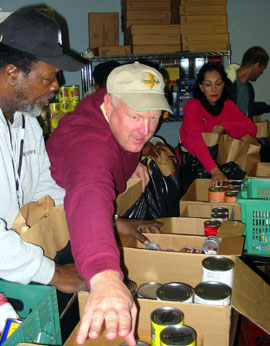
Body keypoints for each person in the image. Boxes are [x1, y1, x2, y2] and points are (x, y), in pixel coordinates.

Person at [46, 61, 172, 345]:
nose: (146, 129)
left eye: (155, 117)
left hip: (79, 221)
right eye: (137, 117)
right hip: (53, 240)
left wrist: (131, 160)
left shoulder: (111, 104)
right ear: (108, 104)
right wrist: (104, 277)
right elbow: (89, 192)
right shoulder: (90, 144)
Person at [0, 8, 88, 293]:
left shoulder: (27, 121)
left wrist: (94, 220)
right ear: (13, 73)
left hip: (14, 260)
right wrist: (54, 274)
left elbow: (44, 187)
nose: (56, 87)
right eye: (48, 78)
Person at [178, 62, 257, 187]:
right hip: (194, 168)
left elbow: (252, 129)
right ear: (201, 87)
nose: (214, 90)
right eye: (208, 85)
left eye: (218, 84)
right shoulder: (193, 106)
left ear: (224, 84)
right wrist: (214, 170)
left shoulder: (228, 106)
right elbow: (195, 139)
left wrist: (227, 126)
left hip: (220, 166)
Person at [225, 46, 270, 120]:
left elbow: (250, 108)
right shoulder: (226, 83)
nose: (261, 73)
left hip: (243, 131)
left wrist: (268, 108)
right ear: (256, 66)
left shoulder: (249, 89)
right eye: (262, 69)